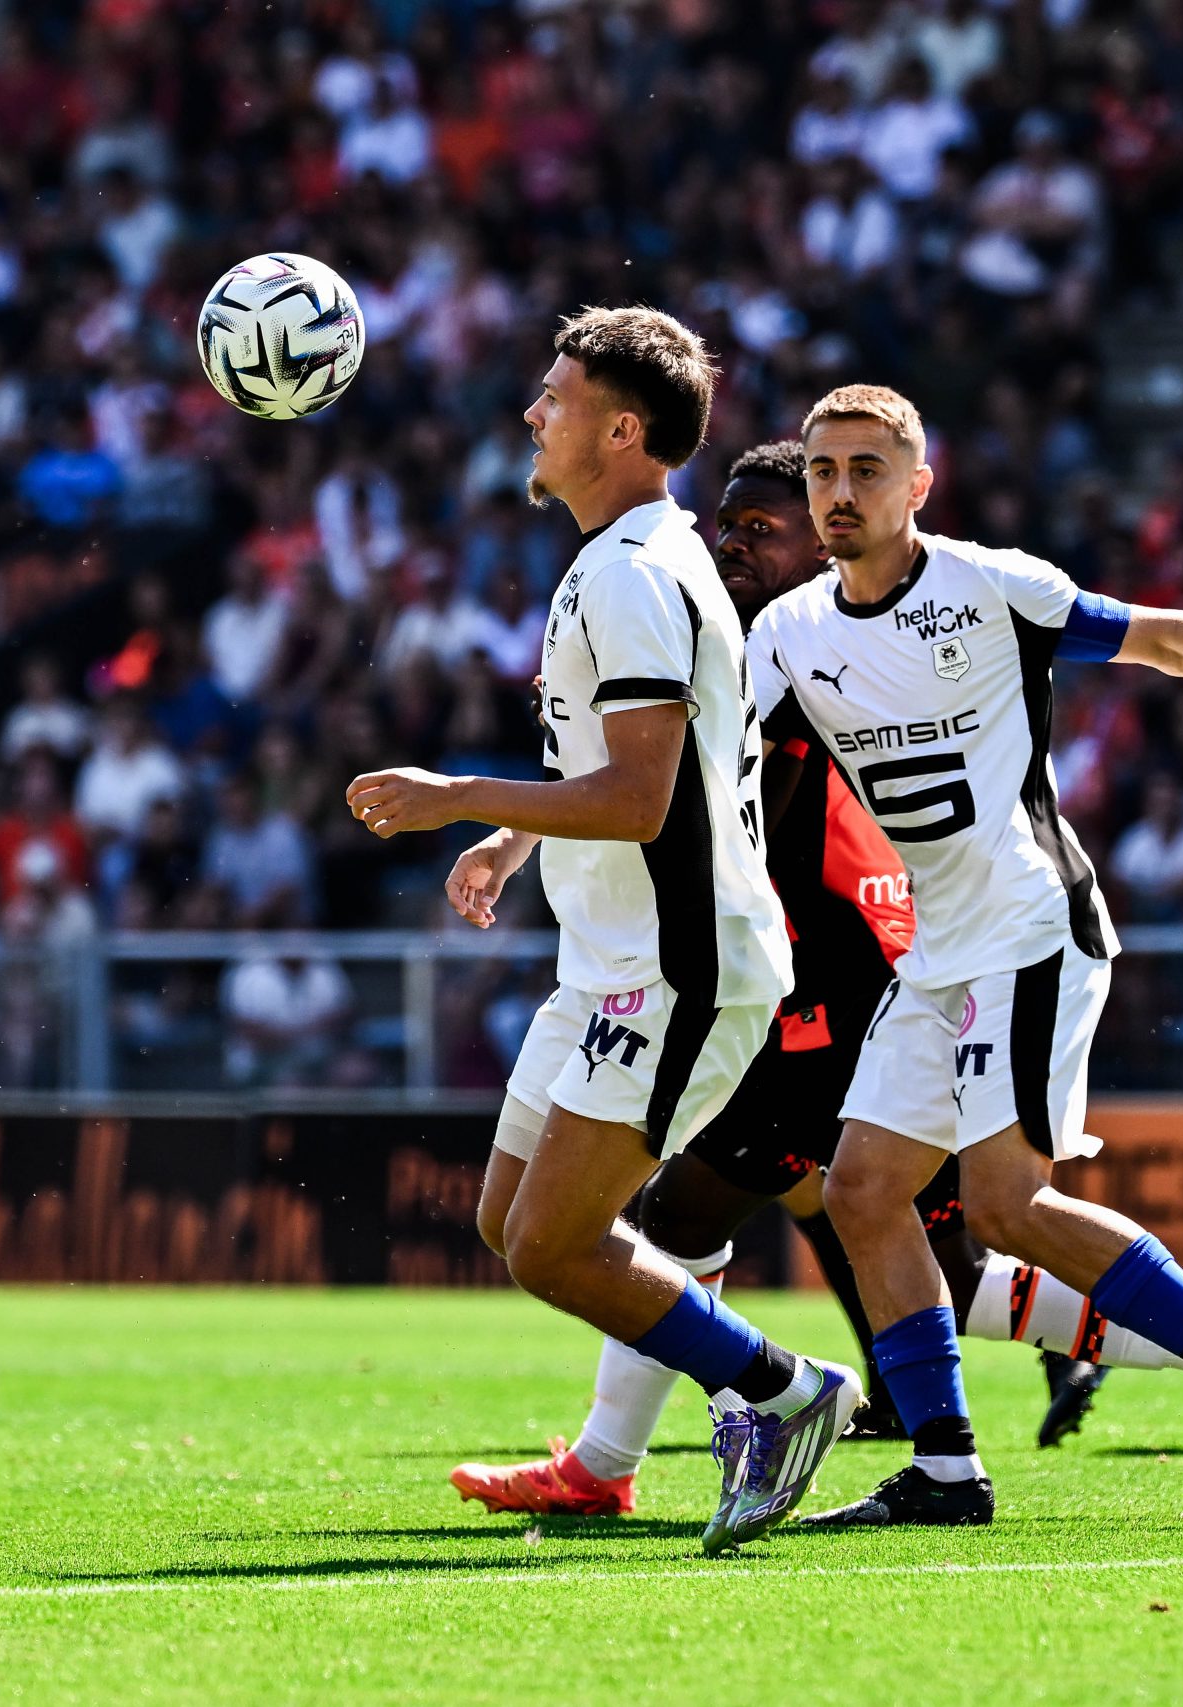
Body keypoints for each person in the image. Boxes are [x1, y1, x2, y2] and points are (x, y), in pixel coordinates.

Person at [449, 445, 1183, 1522]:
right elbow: (642, 764)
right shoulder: (748, 651)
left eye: (760, 528)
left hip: (835, 985)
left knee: (727, 1213)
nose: (735, 544)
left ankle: (619, 1459)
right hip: (835, 983)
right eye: (729, 525)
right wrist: (511, 839)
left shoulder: (816, 649)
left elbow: (677, 782)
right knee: (910, 1244)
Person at [748, 384, 1183, 1530]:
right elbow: (689, 758)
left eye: (866, 469)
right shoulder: (786, 633)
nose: (838, 492)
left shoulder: (993, 586)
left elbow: (1169, 640)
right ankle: (944, 1467)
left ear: (918, 484)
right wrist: (517, 829)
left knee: (1007, 1207)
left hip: (1032, 933)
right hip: (937, 949)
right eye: (823, 471)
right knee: (864, 1192)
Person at [342, 309, 849, 1557]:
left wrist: (458, 794)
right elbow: (630, 768)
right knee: (511, 1222)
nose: (531, 412)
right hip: (610, 958)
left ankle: (782, 1393)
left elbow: (638, 797)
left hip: (680, 968)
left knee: (552, 1244)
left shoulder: (632, 572)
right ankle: (642, 1444)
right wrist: (519, 840)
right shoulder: (624, 557)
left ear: (622, 428)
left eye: (555, 394)